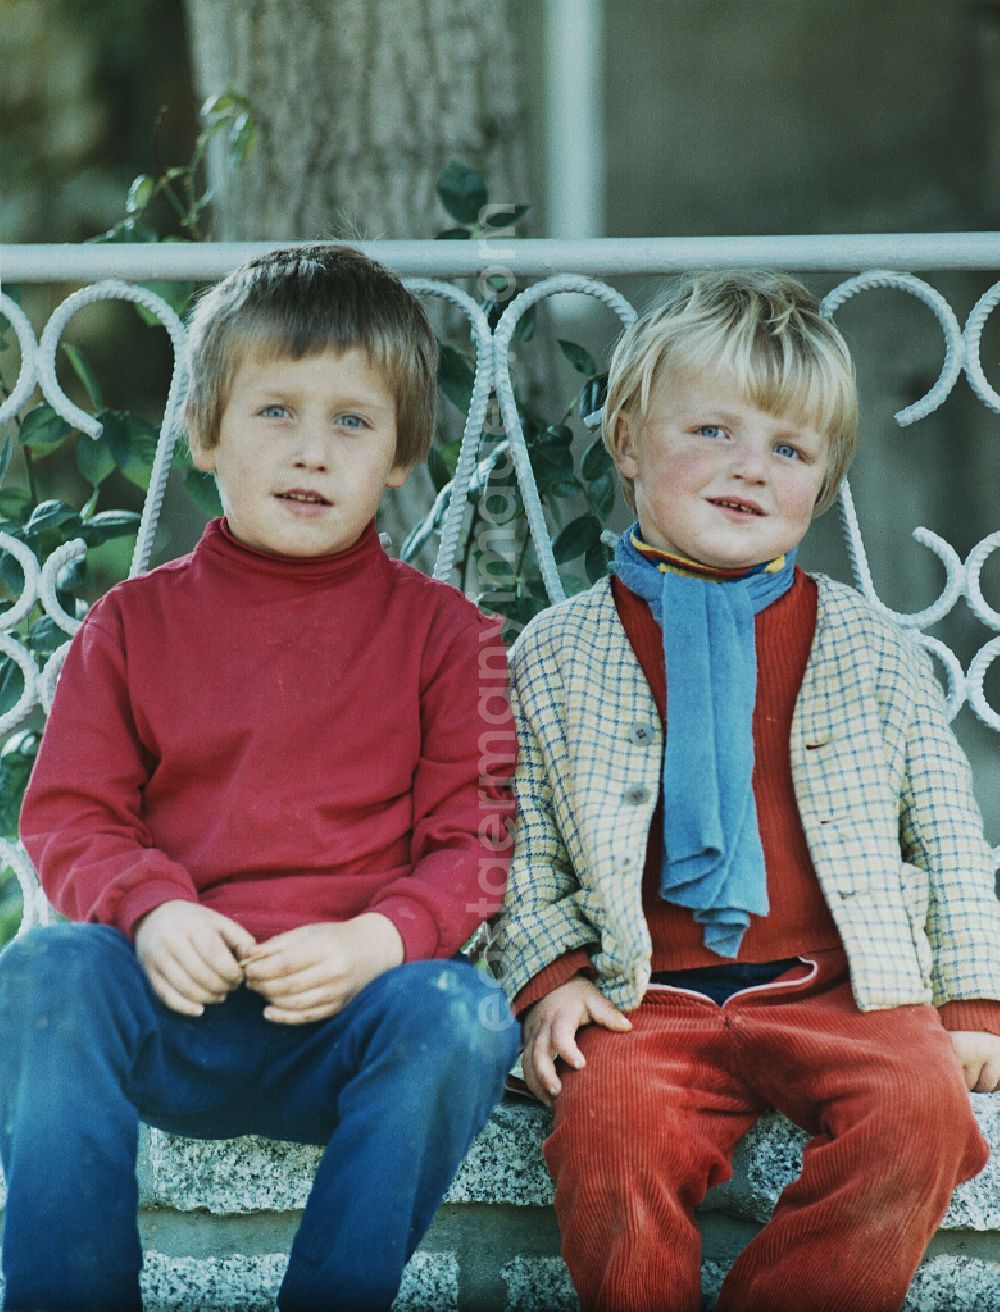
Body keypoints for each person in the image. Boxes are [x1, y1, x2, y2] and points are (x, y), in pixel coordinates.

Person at [0, 244, 519, 1312]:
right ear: (205, 432)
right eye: (274, 411)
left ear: (400, 454)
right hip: (169, 1008)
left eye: (351, 421)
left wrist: (376, 941)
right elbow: (71, 817)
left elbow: (473, 846)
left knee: (463, 1012)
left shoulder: (446, 637)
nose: (311, 452)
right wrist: (148, 912)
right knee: (48, 971)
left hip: (349, 1019)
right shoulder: (132, 624)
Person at [495, 270, 1000, 1312]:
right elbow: (513, 832)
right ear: (627, 443)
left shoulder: (870, 648)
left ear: (821, 482)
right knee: (607, 1134)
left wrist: (970, 1002)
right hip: (647, 1002)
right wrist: (549, 976)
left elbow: (947, 829)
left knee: (924, 1116)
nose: (747, 467)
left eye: (788, 448)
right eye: (713, 430)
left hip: (844, 987)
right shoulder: (557, 652)